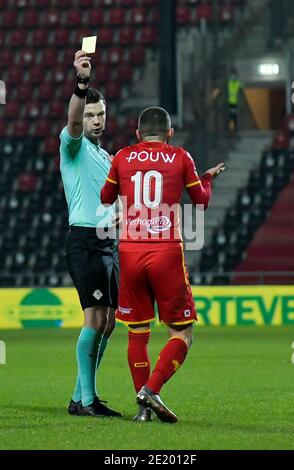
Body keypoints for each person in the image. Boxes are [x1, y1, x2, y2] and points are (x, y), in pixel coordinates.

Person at [101, 107, 225, 423]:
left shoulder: (123, 156)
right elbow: (202, 202)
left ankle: (142, 410)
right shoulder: (181, 157)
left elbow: (106, 196)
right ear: (170, 132)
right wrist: (207, 178)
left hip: (129, 251)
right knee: (182, 333)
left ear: (138, 134)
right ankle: (151, 389)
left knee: (137, 332)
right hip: (165, 251)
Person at [59, 50, 122, 418]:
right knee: (95, 318)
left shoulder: (108, 157)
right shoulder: (73, 145)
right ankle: (87, 401)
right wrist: (81, 83)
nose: (96, 121)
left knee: (109, 322)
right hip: (83, 240)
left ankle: (80, 396)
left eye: (100, 115)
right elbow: (72, 118)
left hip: (106, 241)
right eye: (90, 115)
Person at [228, 67, 242, 132]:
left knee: (233, 117)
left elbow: (241, 85)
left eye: (234, 75)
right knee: (230, 117)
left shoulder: (236, 83)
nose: (233, 76)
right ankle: (230, 129)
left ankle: (233, 130)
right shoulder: (229, 83)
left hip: (234, 103)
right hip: (228, 103)